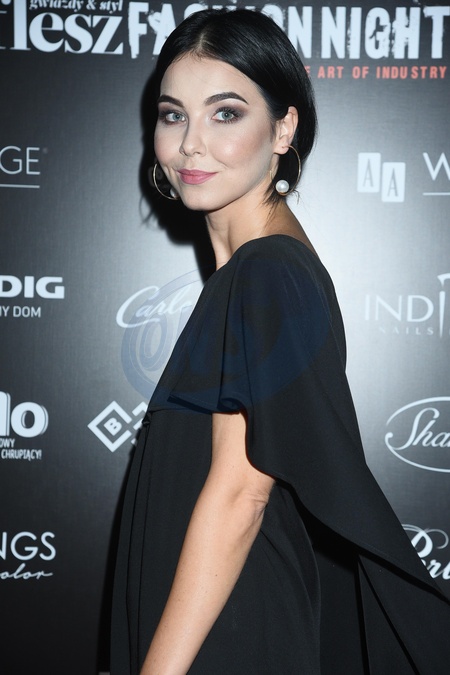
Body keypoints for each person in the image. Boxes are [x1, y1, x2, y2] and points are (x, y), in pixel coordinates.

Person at [111, 8, 450, 675]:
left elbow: (241, 497)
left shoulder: (268, 273)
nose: (191, 144)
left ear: (284, 128)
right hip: (215, 618)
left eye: (225, 113)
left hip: (227, 633)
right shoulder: (259, 270)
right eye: (173, 115)